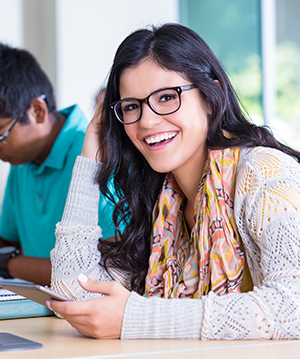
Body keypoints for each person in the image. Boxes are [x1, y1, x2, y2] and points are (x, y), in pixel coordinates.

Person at [49, 23, 300, 340]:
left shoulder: (265, 172)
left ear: (212, 94)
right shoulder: (163, 201)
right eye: (131, 106)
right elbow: (73, 293)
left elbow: (294, 306)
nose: (147, 121)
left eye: (167, 97)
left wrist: (136, 319)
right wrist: (90, 156)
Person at [0, 43, 116, 285]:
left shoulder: (96, 153)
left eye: (1, 134)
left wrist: (9, 264)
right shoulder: (21, 160)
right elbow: (7, 241)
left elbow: (105, 270)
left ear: (37, 111)